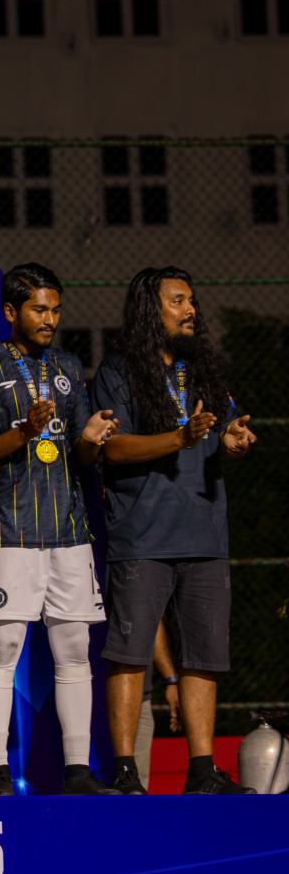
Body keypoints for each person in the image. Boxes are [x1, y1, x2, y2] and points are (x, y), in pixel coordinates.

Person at [93, 266, 257, 795]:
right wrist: (179, 439)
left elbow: (226, 424)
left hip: (205, 533)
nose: (190, 310)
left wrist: (233, 437)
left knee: (203, 656)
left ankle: (203, 770)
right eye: (178, 301)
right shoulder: (118, 369)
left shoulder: (202, 366)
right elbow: (111, 448)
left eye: (191, 300)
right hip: (142, 535)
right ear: (151, 309)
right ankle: (125, 771)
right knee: (129, 655)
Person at [0, 263, 119, 795]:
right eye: (38, 309)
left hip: (69, 530)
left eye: (55, 309)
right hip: (8, 530)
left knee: (74, 649)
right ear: (11, 312)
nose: (49, 319)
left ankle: (78, 771)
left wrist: (92, 438)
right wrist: (23, 431)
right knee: (3, 649)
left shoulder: (70, 366)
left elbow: (79, 454)